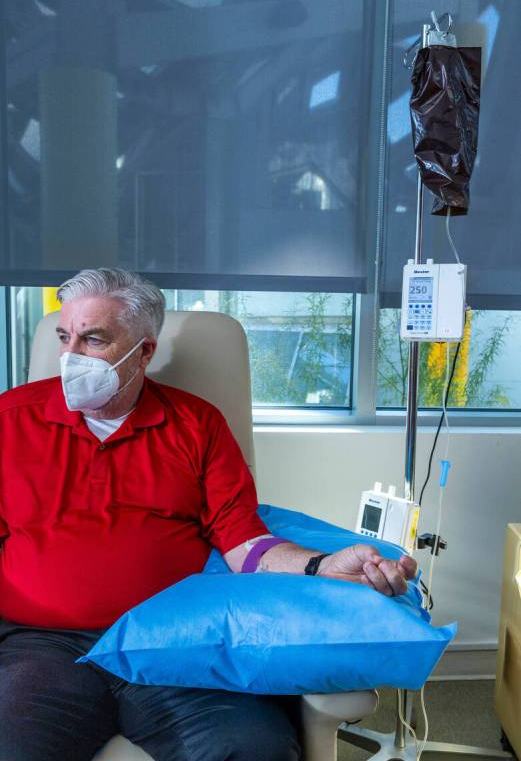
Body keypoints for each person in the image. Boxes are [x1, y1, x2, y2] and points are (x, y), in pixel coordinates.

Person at [0, 268, 417, 761]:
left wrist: (321, 566)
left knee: (253, 749)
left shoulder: (197, 425)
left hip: (176, 643)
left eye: (93, 339)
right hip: (41, 647)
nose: (70, 357)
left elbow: (245, 542)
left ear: (145, 352)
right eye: (64, 338)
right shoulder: (10, 418)